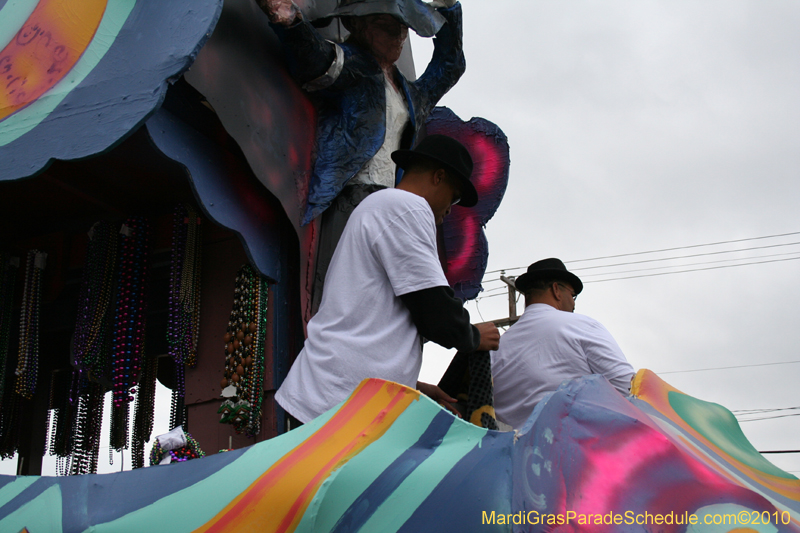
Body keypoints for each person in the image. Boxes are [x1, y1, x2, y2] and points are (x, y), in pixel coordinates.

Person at [275, 135, 500, 424]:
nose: (450, 209)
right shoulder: (406, 207)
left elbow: (381, 315)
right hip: (340, 401)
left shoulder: (381, 207)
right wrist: (474, 337)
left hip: (337, 392)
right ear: (438, 177)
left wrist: (414, 388)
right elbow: (434, 309)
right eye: (454, 196)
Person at [258, 0, 466, 312]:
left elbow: (450, 65)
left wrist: (450, 8)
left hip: (391, 202)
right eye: (387, 25)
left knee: (384, 298)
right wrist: (290, 23)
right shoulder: (354, 66)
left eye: (404, 27)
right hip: (351, 198)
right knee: (339, 294)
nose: (398, 35)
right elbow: (317, 60)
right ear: (359, 25)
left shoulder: (411, 94)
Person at [491, 258, 635, 429]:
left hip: (508, 451)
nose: (573, 303)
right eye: (573, 295)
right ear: (556, 290)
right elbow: (627, 388)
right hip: (569, 448)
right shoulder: (580, 325)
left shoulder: (496, 347)